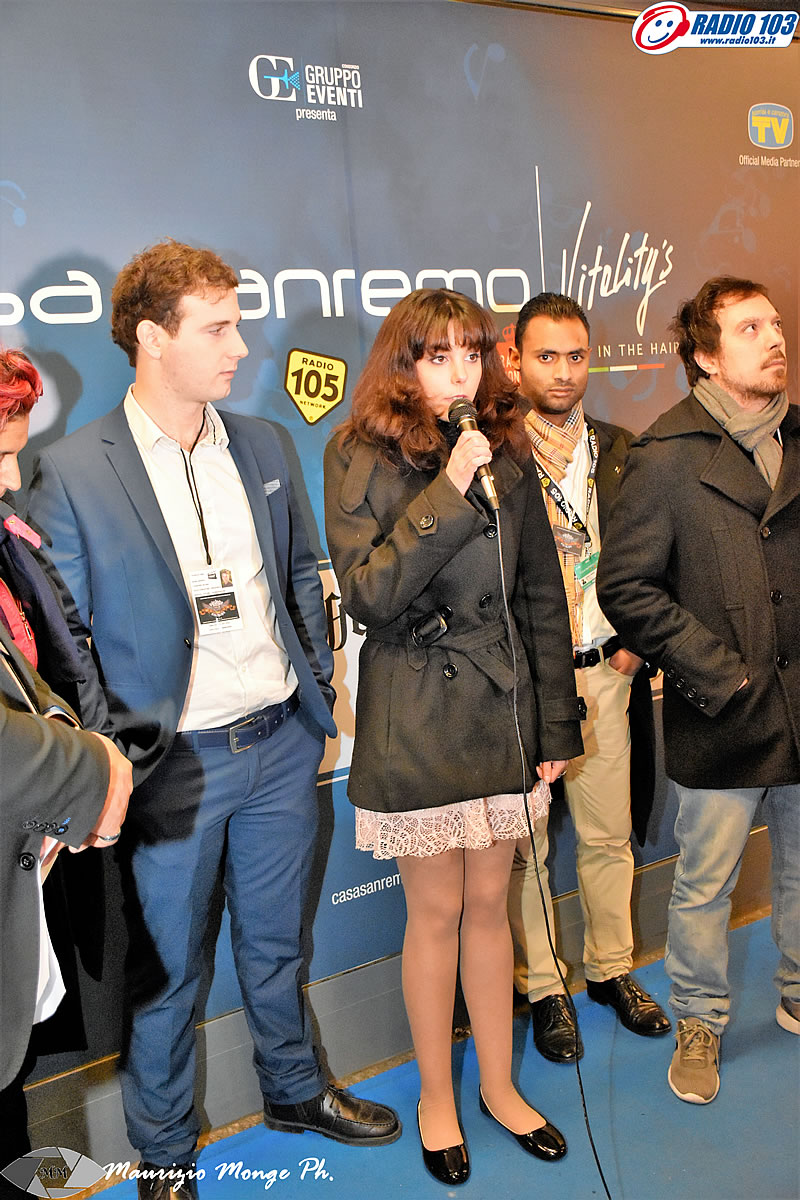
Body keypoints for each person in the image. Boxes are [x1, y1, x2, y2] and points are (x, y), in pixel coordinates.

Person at [26, 241, 399, 1200]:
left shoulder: (265, 444)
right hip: (170, 767)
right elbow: (66, 642)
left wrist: (314, 687)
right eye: (219, 328)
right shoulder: (73, 471)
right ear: (153, 339)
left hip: (281, 744)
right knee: (167, 978)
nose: (241, 346)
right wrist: (114, 756)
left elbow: (304, 575)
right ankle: (163, 1153)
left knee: (277, 945)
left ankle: (293, 1090)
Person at [324, 289, 585, 1186]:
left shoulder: (507, 446)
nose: (462, 374)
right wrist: (448, 490)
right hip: (417, 712)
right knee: (435, 914)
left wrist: (555, 724)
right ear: (403, 363)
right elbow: (368, 596)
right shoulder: (358, 452)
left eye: (472, 354)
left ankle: (500, 1088)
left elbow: (540, 598)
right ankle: (439, 1097)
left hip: (501, 710)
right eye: (440, 356)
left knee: (491, 906)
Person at [597, 276, 800, 1105]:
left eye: (775, 323)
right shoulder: (663, 457)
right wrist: (722, 674)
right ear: (707, 357)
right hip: (725, 712)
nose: (776, 337)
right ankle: (700, 1020)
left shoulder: (799, 436)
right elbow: (627, 588)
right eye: (751, 328)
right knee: (705, 885)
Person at [506, 294, 670, 1063]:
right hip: (526, 686)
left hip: (605, 674)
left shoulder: (620, 448)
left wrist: (638, 645)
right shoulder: (494, 455)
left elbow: (657, 553)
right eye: (546, 356)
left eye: (576, 356)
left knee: (608, 838)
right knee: (529, 849)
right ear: (514, 360)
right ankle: (545, 987)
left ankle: (611, 970)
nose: (564, 372)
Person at [0, 348, 132, 1187]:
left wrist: (70, 732)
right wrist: (91, 773)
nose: (13, 475)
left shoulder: (10, 538)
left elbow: (41, 668)